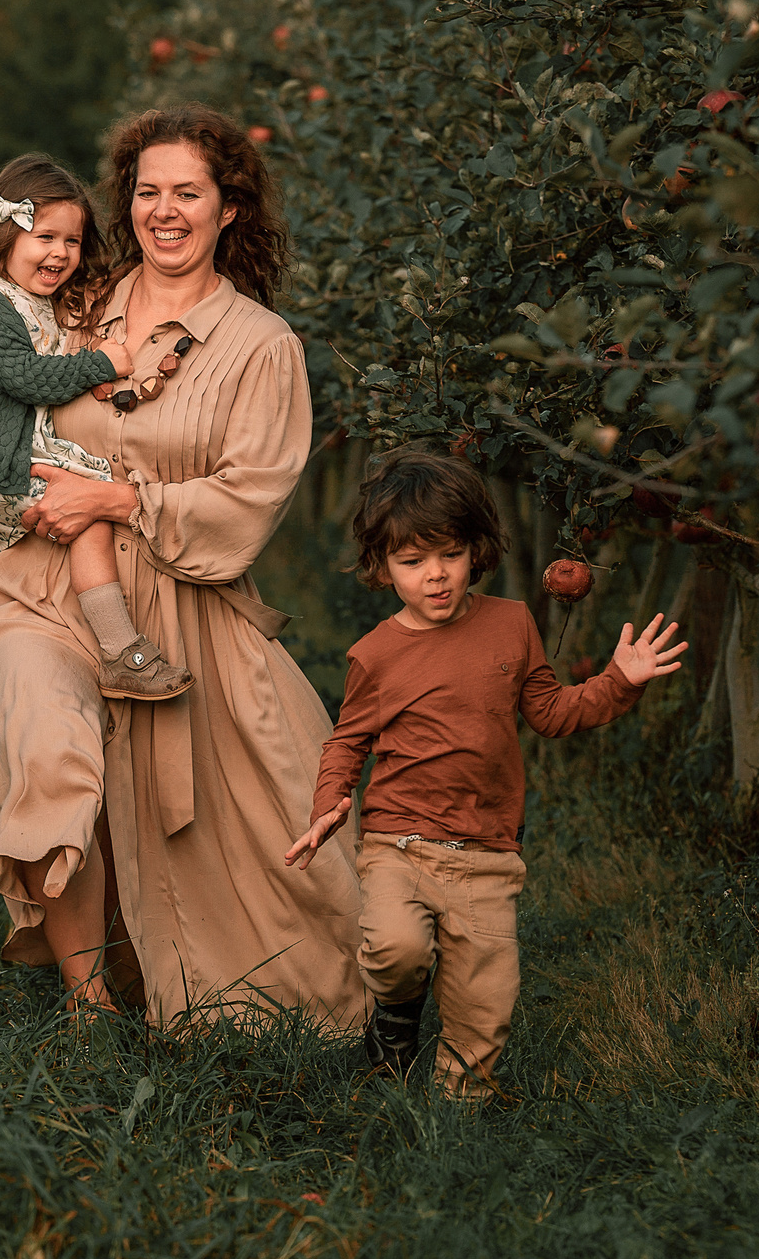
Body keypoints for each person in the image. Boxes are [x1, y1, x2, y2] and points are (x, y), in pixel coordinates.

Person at [0, 105, 368, 1033]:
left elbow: (246, 504)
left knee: (261, 858)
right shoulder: (72, 306)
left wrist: (122, 499)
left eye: (189, 192)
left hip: (182, 609)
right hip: (45, 586)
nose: (166, 210)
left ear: (230, 209)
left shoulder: (263, 346)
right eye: (148, 191)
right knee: (46, 748)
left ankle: (294, 991)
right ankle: (89, 1009)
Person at [284, 450, 687, 1099]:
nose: (435, 576)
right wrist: (331, 802)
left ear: (477, 547)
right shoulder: (375, 655)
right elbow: (348, 741)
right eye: (412, 562)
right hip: (400, 844)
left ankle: (452, 1121)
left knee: (484, 1011)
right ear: (383, 566)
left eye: (449, 554)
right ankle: (395, 1016)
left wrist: (619, 683)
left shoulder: (512, 625)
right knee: (395, 949)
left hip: (488, 853)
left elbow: (551, 712)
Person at [0, 155, 191, 700]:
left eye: (72, 242)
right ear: (4, 235)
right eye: (45, 237)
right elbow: (27, 378)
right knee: (95, 510)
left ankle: (111, 643)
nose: (60, 253)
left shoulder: (39, 301)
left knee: (93, 512)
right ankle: (123, 653)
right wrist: (105, 364)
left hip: (15, 455)